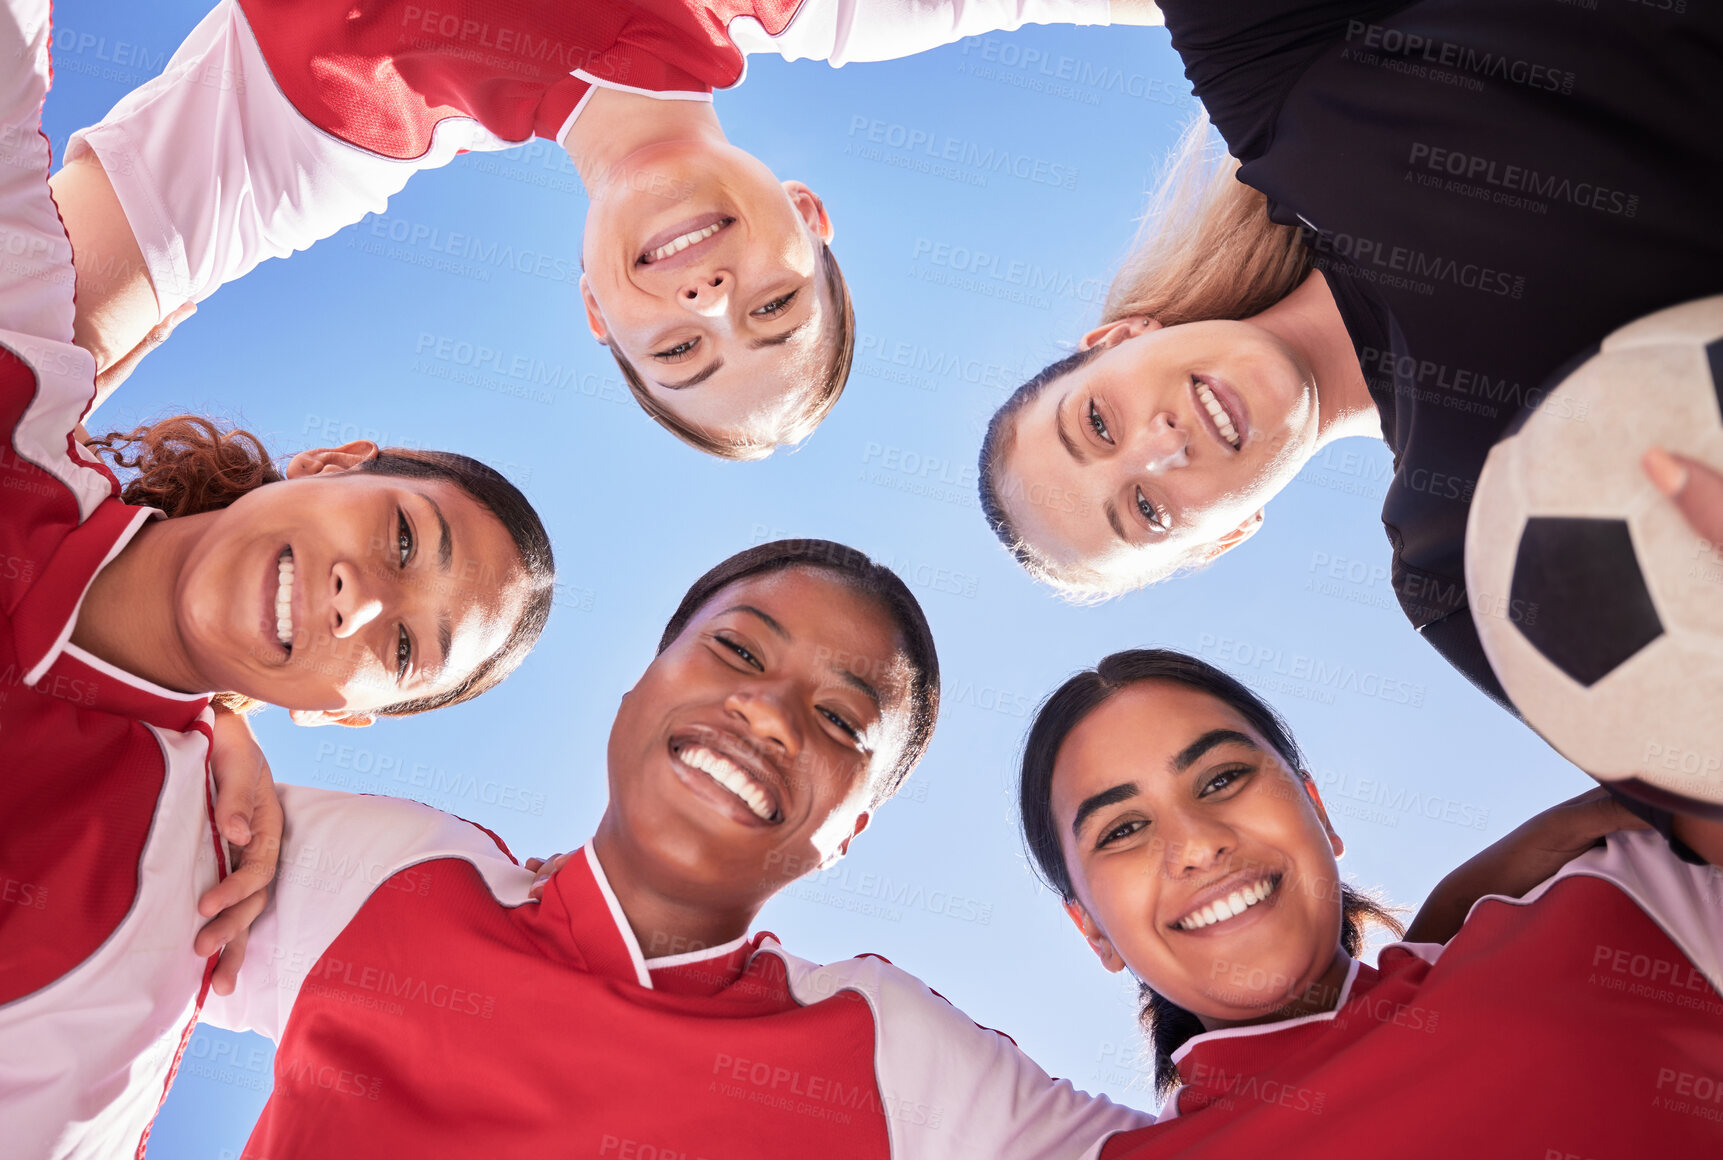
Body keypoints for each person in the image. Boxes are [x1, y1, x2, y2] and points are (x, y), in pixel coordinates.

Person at [0, 10, 556, 1153]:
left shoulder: (153, 910)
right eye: (405, 539)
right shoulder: (20, 368)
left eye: (405, 648)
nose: (367, 599)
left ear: (340, 711)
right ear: (333, 463)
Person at [976, 1, 1723, 812]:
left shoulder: (1274, 78)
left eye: (1095, 424)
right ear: (1225, 536)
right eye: (1147, 509)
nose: (1159, 447)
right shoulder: (1455, 560)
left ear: (1118, 338)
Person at [187, 538, 1153, 1157]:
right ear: (639, 687)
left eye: (838, 719)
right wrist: (194, 716)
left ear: (846, 833)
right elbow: (71, 804)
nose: (769, 715)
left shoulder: (888, 1055)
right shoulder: (393, 875)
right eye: (737, 651)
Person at [54, 0, 1161, 460]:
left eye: (679, 348)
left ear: (594, 307)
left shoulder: (345, 121)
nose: (710, 300)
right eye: (774, 305)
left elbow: (43, 329)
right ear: (807, 215)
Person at [1018, 648, 1723, 1154]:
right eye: (1124, 830)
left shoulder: (1612, 902)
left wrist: (1643, 797)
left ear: (1318, 812)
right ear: (1092, 932)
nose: (1197, 845)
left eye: (1222, 777)